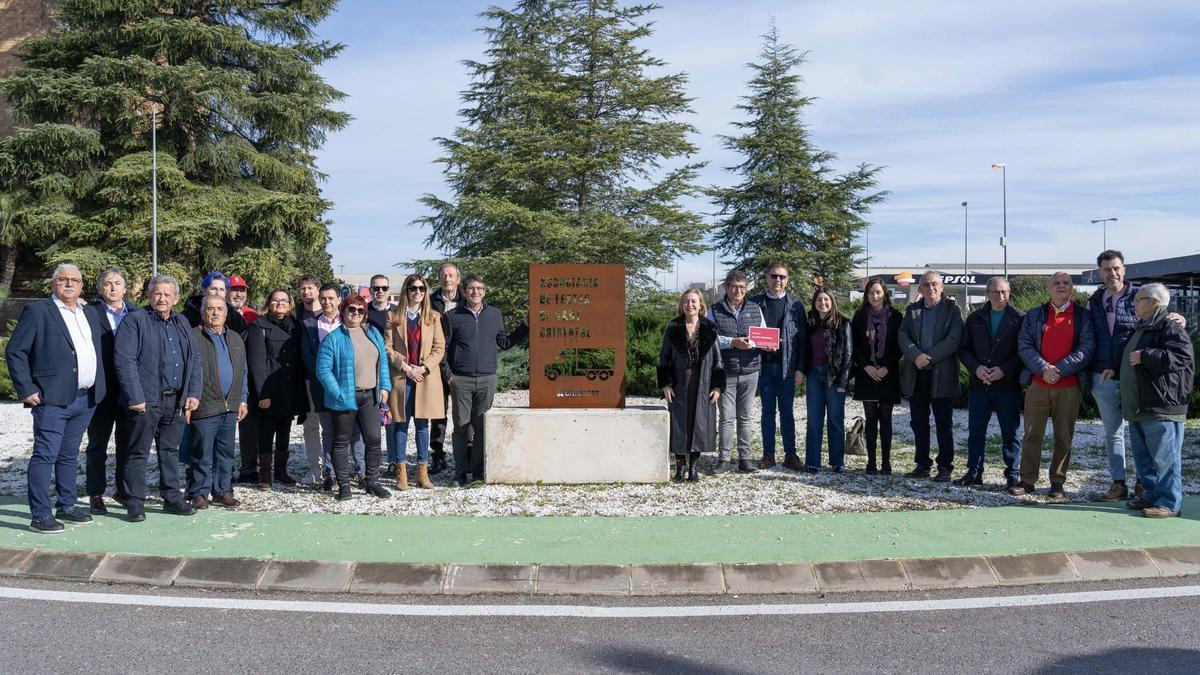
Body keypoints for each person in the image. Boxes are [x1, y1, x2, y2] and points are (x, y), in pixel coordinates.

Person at [6, 264, 106, 533]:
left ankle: (67, 505)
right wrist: (26, 388)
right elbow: (15, 351)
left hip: (86, 398)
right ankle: (40, 515)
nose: (70, 284)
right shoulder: (39, 311)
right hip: (51, 399)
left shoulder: (89, 313)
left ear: (82, 286)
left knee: (69, 455)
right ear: (53, 284)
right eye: (63, 280)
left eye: (75, 280)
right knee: (45, 454)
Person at [1085, 250, 1186, 501]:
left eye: (1117, 268)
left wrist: (1178, 317)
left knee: (1147, 434)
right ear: (1100, 272)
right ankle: (1119, 484)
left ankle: (1147, 485)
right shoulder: (1095, 301)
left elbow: (1162, 319)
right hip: (1105, 375)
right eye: (1107, 269)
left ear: (1124, 269)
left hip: (1140, 377)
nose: (1113, 273)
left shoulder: (1142, 296)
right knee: (1114, 433)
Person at [114, 275, 202, 521]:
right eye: (157, 294)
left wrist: (193, 392)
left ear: (176, 298)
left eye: (167, 295)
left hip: (174, 401)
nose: (162, 298)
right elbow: (124, 360)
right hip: (144, 400)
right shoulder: (134, 321)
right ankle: (134, 502)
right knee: (138, 452)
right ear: (149, 296)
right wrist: (135, 396)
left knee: (169, 451)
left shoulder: (182, 321)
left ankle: (172, 498)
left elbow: (194, 359)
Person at [1010, 272, 1095, 501]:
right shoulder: (1035, 314)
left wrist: (1059, 369)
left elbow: (1087, 349)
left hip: (1069, 386)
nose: (1061, 286)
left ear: (1072, 288)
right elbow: (1025, 345)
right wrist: (1044, 369)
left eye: (1065, 283)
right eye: (1056, 283)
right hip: (1038, 384)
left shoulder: (1083, 317)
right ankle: (1027, 480)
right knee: (1031, 433)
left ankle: (1057, 482)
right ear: (1048, 287)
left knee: (1064, 436)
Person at [442, 274, 528, 486]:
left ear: (484, 291)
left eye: (479, 288)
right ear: (464, 291)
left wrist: (525, 326)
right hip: (461, 379)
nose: (475, 292)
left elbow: (505, 342)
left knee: (481, 427)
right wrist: (449, 376)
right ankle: (460, 473)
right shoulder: (452, 316)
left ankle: (478, 472)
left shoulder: (495, 315)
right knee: (461, 427)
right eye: (471, 288)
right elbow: (442, 348)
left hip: (487, 379)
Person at [1121, 283, 1194, 518]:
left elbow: (1182, 357)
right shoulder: (1144, 326)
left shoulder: (1169, 325)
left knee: (1165, 458)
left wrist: (1145, 355)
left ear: (1154, 302)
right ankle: (1151, 496)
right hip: (1141, 406)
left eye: (1139, 299)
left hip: (1161, 405)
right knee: (1146, 459)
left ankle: (1169, 503)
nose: (1134, 303)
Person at [316, 295, 392, 500]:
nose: (356, 313)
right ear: (343, 311)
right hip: (345, 398)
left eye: (360, 310)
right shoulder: (333, 338)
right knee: (341, 441)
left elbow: (383, 361)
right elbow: (323, 370)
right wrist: (338, 392)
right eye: (351, 309)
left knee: (374, 439)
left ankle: (372, 481)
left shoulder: (373, 333)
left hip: (370, 396)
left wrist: (385, 386)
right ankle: (343, 486)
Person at [957, 276, 1024, 487]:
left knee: (1010, 433)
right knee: (976, 432)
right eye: (995, 292)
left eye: (1004, 292)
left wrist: (1004, 370)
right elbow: (964, 349)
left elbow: (1024, 351)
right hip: (980, 385)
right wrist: (976, 368)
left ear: (1009, 293)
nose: (1000, 296)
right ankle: (974, 472)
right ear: (987, 294)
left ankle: (1013, 474)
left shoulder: (1019, 319)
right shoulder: (975, 318)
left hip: (1007, 385)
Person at [898, 270, 963, 482]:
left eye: (935, 284)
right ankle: (922, 464)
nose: (931, 288)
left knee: (943, 423)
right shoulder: (912, 310)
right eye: (926, 285)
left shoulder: (953, 310)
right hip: (917, 375)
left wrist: (929, 357)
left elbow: (954, 339)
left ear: (942, 287)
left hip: (941, 375)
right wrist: (916, 355)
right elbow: (903, 335)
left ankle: (945, 466)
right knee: (918, 422)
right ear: (921, 289)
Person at [186, 295, 249, 508]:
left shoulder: (235, 338)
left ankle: (222, 490)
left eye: (219, 309)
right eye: (210, 308)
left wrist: (243, 399)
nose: (215, 313)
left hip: (230, 405)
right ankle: (198, 492)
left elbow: (244, 371)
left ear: (226, 312)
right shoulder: (193, 336)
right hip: (204, 404)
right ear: (203, 312)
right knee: (202, 451)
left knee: (226, 452)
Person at [658, 288, 725, 482]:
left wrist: (717, 387)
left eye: (694, 301)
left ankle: (693, 468)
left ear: (700, 304)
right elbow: (663, 358)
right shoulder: (673, 328)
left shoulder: (710, 329)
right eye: (687, 301)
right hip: (679, 382)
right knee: (680, 423)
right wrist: (666, 384)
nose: (690, 305)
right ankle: (680, 467)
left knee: (699, 424)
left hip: (703, 382)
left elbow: (718, 361)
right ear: (682, 305)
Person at [385, 274, 445, 490]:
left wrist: (423, 367)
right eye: (413, 288)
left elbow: (439, 348)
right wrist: (406, 366)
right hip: (402, 377)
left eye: (421, 288)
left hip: (424, 378)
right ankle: (401, 472)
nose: (417, 292)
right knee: (400, 424)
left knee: (422, 425)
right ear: (406, 291)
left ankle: (422, 472)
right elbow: (387, 347)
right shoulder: (393, 317)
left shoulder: (434, 317)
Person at [246, 288, 308, 491]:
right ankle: (265, 475)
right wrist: (263, 393)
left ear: (290, 304)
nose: (280, 303)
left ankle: (281, 471)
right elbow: (256, 361)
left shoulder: (296, 326)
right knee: (266, 432)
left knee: (285, 430)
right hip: (270, 390)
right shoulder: (259, 326)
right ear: (268, 303)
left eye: (284, 300)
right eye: (275, 300)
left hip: (290, 388)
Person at [83, 267, 134, 514]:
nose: (113, 288)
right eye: (107, 284)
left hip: (128, 389)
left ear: (125, 288)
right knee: (98, 445)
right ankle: (95, 492)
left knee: (126, 443)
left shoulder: (136, 313)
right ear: (100, 289)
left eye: (117, 283)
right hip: (100, 389)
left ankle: (123, 490)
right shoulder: (88, 312)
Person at [748, 262, 806, 471]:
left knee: (787, 412)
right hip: (763, 367)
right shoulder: (754, 303)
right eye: (774, 276)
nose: (778, 280)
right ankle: (768, 454)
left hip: (787, 369)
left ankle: (791, 455)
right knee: (767, 412)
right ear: (766, 278)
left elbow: (802, 340)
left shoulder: (796, 306)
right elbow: (748, 334)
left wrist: (801, 368)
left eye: (782, 277)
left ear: (787, 280)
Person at [706, 270, 764, 474]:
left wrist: (769, 344)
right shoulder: (714, 310)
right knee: (726, 417)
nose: (738, 290)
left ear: (746, 288)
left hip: (750, 371)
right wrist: (732, 342)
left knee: (746, 416)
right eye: (734, 286)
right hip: (726, 371)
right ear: (726, 288)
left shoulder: (755, 309)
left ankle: (745, 459)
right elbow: (709, 339)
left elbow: (763, 335)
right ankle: (724, 459)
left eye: (742, 286)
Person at [850, 278, 902, 475]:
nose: (874, 296)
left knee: (886, 420)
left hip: (888, 373)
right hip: (867, 374)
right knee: (871, 419)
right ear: (866, 295)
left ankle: (886, 462)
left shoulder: (895, 316)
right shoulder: (860, 316)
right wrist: (866, 366)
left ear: (885, 294)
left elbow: (899, 346)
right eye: (871, 293)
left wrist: (886, 367)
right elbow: (854, 346)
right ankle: (871, 462)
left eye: (878, 292)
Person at [801, 287, 852, 473]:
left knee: (835, 419)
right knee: (814, 420)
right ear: (814, 303)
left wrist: (843, 382)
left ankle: (837, 461)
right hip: (814, 374)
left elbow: (848, 354)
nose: (823, 303)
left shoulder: (843, 323)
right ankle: (812, 461)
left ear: (832, 301)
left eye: (826, 300)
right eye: (819, 300)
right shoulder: (810, 322)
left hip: (835, 377)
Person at [428, 262, 462, 475]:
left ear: (458, 279)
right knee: (438, 413)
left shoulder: (466, 301)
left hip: (461, 365)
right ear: (439, 279)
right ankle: (438, 455)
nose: (447, 279)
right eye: (444, 275)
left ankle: (465, 453)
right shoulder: (430, 302)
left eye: (451, 275)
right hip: (437, 364)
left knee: (463, 414)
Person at [292, 273, 324, 484]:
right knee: (311, 424)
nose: (306, 292)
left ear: (318, 290)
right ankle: (315, 467)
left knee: (334, 425)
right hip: (305, 378)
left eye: (310, 288)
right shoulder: (295, 315)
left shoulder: (330, 313)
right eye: (303, 288)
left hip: (331, 378)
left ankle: (334, 467)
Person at [182, 272, 246, 335]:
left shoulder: (235, 319)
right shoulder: (188, 316)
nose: (218, 293)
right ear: (204, 290)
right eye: (213, 289)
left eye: (221, 289)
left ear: (226, 292)